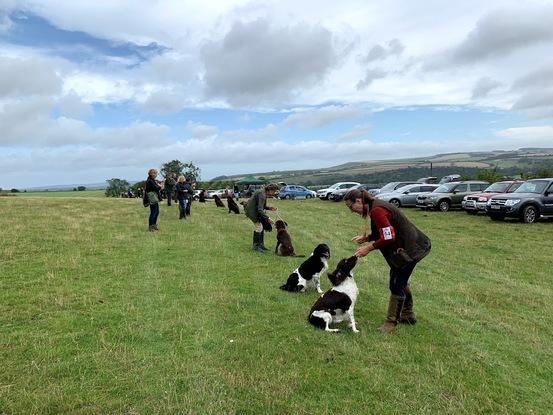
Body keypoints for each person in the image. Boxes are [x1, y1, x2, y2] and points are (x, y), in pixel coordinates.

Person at [344, 188, 431, 333]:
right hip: (411, 248)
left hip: (412, 249)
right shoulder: (375, 206)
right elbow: (385, 230)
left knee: (396, 283)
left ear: (359, 201)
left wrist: (368, 248)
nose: (351, 211)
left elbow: (389, 236)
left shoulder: (377, 210)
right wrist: (368, 238)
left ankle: (391, 322)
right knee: (399, 280)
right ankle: (408, 315)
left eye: (350, 206)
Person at [244, 183, 279, 253]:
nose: (274, 193)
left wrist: (270, 208)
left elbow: (262, 206)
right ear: (270, 190)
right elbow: (260, 209)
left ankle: (261, 245)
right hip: (251, 212)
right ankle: (256, 246)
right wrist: (268, 218)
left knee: (261, 227)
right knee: (259, 227)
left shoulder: (263, 192)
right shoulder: (262, 194)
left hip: (254, 210)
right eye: (274, 191)